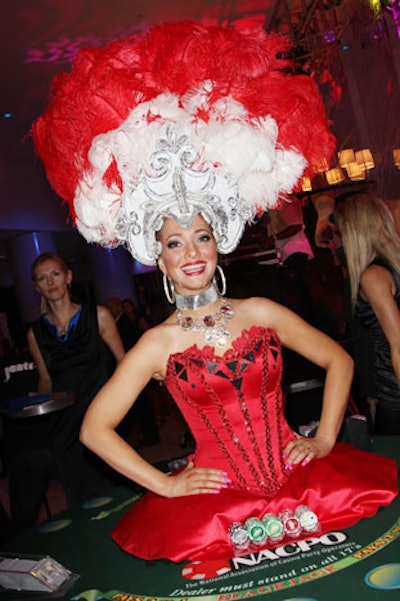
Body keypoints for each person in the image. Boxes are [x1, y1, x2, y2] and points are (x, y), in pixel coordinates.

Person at [32, 21, 398, 562]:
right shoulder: (157, 344)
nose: (193, 252)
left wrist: (322, 439)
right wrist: (167, 485)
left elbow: (339, 361)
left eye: (202, 237)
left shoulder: (261, 310)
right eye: (176, 243)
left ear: (218, 242)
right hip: (218, 506)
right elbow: (94, 430)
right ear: (160, 258)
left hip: (304, 485)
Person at [5, 252, 125, 532]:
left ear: (68, 277)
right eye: (42, 278)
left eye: (55, 274)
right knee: (81, 498)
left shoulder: (99, 315)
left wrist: (118, 404)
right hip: (64, 425)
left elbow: (123, 362)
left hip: (101, 416)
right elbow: (47, 379)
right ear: (36, 287)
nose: (50, 282)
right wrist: (39, 397)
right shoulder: (36, 334)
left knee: (113, 489)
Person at [334, 192, 400, 434]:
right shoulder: (391, 267)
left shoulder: (373, 276)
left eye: (341, 233)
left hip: (394, 390)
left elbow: (397, 343)